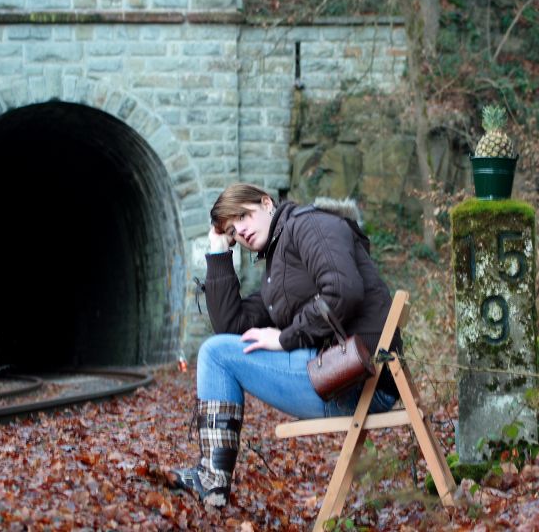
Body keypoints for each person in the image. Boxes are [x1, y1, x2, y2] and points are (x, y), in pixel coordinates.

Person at [169, 183, 402, 507]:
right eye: (234, 231)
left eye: (244, 217)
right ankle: (212, 478)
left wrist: (284, 338)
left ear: (267, 203)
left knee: (215, 354)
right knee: (219, 348)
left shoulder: (311, 225)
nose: (242, 232)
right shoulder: (279, 268)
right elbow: (231, 327)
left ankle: (212, 479)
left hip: (360, 381)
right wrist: (219, 250)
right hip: (346, 375)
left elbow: (342, 290)